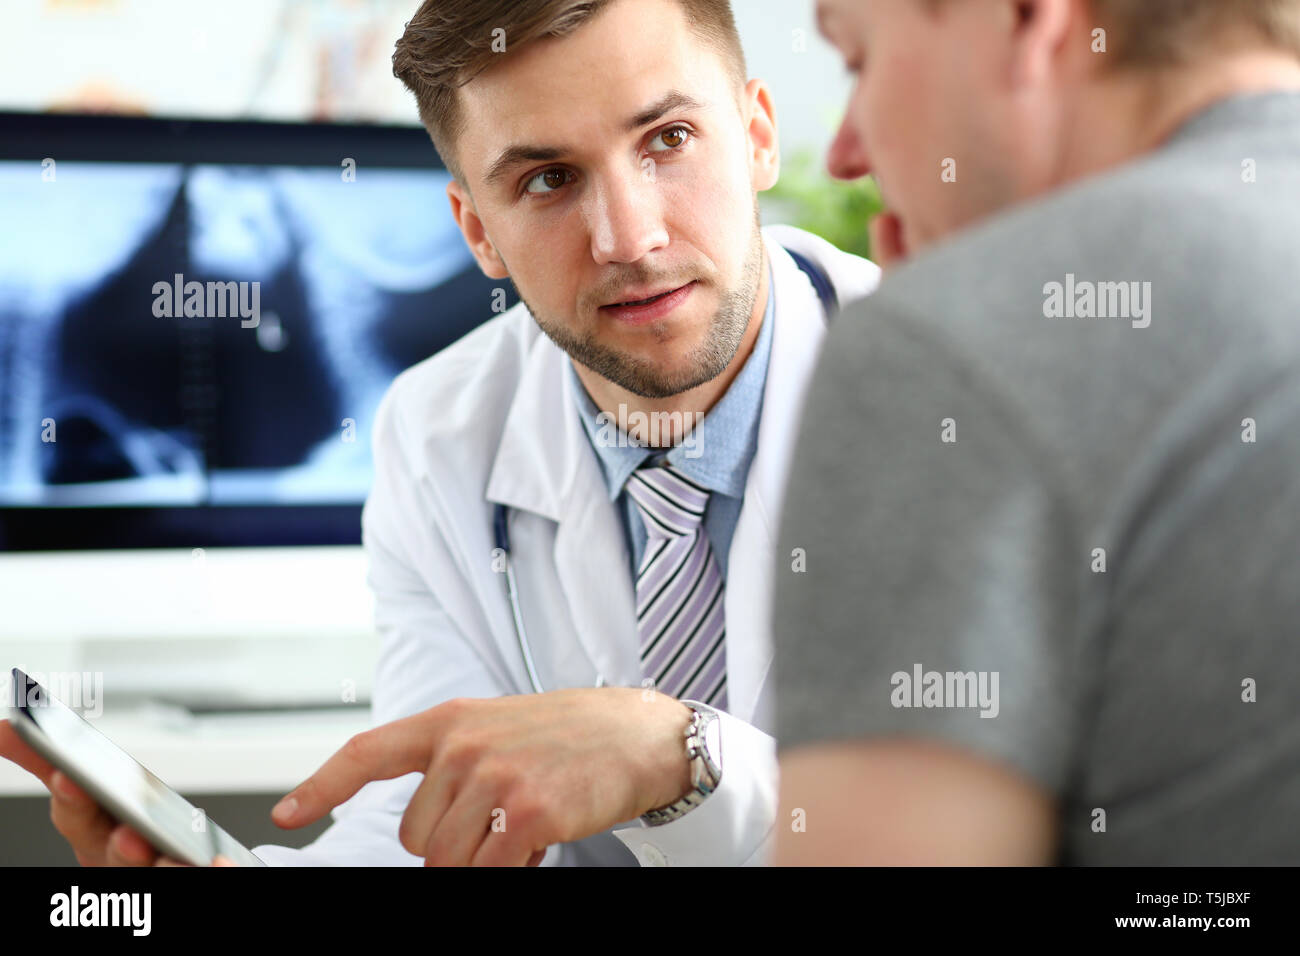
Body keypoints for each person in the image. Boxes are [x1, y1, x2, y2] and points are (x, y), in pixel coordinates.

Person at [0, 0, 879, 866]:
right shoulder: (435, 434)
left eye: (669, 140)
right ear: (477, 233)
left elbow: (990, 828)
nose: (627, 237)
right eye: (547, 179)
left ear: (758, 135)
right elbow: (418, 832)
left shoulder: (956, 401)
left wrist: (677, 756)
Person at [773, 0, 1300, 864]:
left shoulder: (949, 344)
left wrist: (958, 354)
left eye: (857, 60)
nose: (845, 153)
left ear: (1026, 20)